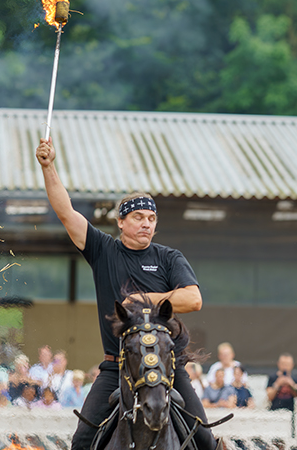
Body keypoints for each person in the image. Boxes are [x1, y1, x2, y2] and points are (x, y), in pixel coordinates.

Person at [37, 138, 210, 450]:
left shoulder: (169, 258)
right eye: (138, 218)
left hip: (166, 369)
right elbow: (65, 212)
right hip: (116, 366)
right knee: (82, 442)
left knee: (205, 439)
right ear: (121, 222)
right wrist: (48, 167)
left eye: (151, 219)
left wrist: (146, 301)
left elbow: (193, 300)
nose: (146, 224)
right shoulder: (104, 250)